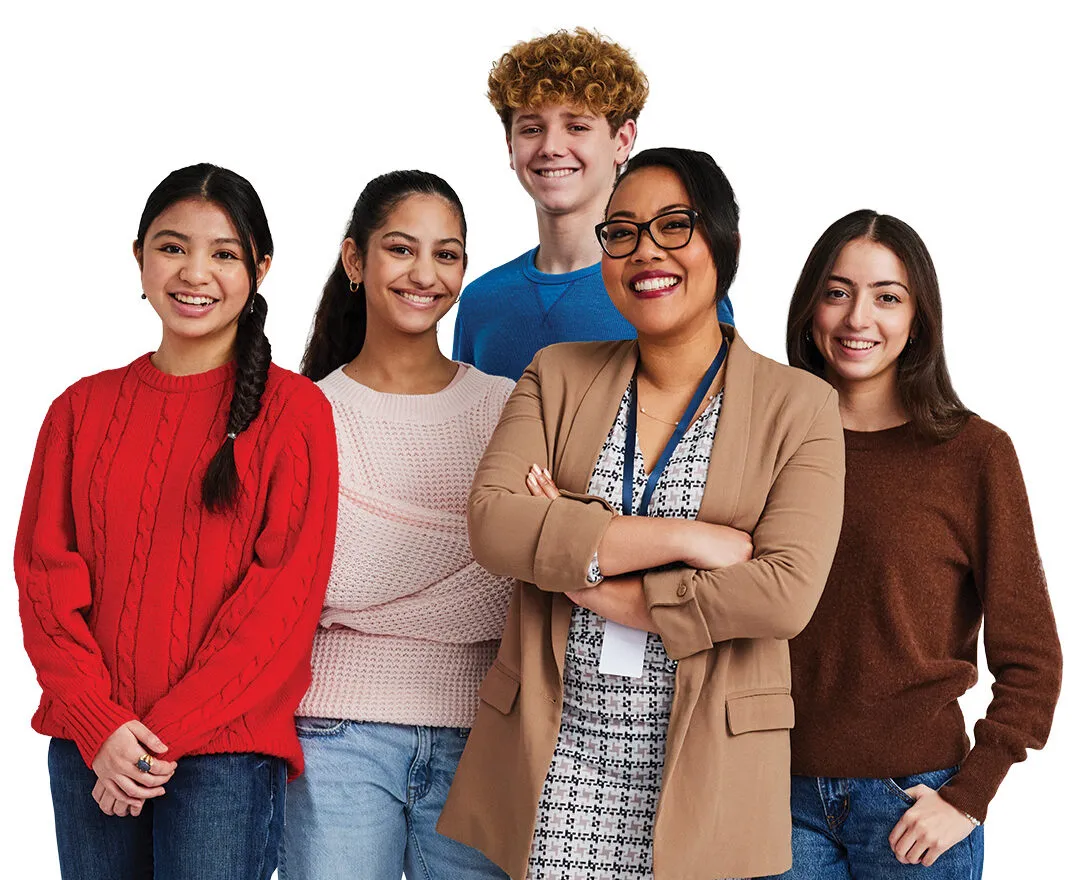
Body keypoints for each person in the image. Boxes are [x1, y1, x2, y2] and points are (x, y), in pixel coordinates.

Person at [438, 147, 846, 880]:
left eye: (672, 226)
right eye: (620, 231)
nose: (643, 251)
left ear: (724, 244)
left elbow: (785, 592)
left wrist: (596, 578)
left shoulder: (799, 405)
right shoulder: (556, 374)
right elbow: (495, 525)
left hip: (703, 768)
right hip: (556, 760)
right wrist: (691, 539)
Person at [14, 163, 339, 880]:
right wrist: (102, 728)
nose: (195, 272)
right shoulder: (79, 409)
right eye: (171, 247)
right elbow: (44, 585)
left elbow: (279, 608)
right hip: (90, 750)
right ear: (138, 257)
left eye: (224, 253)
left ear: (261, 267)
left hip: (223, 755)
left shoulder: (294, 413)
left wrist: (152, 740)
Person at [768, 210, 1062, 878]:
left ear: (919, 316)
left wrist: (969, 796)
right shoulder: (769, 441)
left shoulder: (974, 453)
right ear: (810, 306)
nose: (857, 319)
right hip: (774, 792)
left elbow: (1032, 657)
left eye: (887, 297)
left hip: (911, 804)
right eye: (837, 292)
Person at [279, 170, 514, 880]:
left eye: (447, 255)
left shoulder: (506, 405)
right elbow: (296, 591)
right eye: (401, 250)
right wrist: (469, 558)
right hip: (333, 737)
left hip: (482, 741)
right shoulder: (303, 412)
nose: (425, 274)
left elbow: (521, 582)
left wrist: (354, 592)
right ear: (356, 260)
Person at [452, 27, 735, 381]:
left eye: (577, 127)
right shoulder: (481, 302)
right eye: (531, 129)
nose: (551, 147)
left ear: (623, 140)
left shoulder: (667, 284)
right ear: (510, 146)